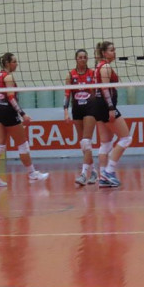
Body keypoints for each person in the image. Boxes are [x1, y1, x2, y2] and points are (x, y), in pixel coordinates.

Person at [0, 52, 48, 187]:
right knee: (22, 145)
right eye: (14, 61)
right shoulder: (8, 77)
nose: (16, 64)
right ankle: (32, 174)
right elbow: (11, 97)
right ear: (7, 63)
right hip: (8, 112)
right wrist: (22, 114)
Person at [94, 41, 132, 188]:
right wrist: (110, 108)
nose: (114, 52)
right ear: (104, 53)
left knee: (106, 143)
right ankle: (109, 171)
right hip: (105, 106)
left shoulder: (98, 66)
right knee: (126, 138)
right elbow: (105, 89)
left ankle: (103, 177)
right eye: (111, 50)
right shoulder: (105, 67)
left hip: (98, 106)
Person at [63, 49, 98, 186]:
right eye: (80, 57)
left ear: (87, 59)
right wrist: (66, 112)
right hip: (77, 109)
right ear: (76, 59)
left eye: (85, 57)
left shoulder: (92, 73)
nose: (83, 59)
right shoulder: (70, 75)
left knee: (86, 141)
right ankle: (94, 172)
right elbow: (67, 95)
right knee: (83, 144)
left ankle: (83, 174)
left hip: (90, 108)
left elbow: (96, 92)